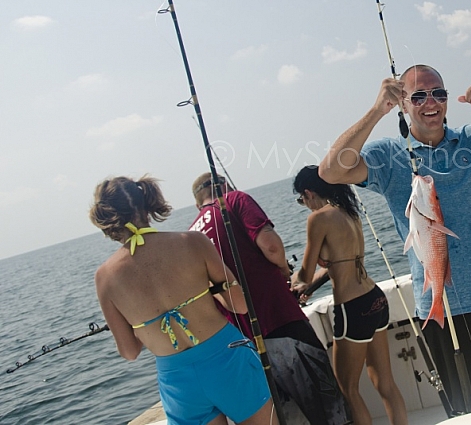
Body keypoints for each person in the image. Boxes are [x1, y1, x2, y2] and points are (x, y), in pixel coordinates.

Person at [319, 64, 471, 412]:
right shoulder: (388, 157)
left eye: (439, 93)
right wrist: (377, 110)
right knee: (470, 414)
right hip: (445, 312)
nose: (430, 102)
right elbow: (330, 171)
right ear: (403, 103)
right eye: (418, 96)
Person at [90, 175, 273, 425]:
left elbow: (130, 351)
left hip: (177, 381)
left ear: (106, 218)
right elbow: (239, 304)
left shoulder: (104, 277)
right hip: (227, 359)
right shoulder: (193, 242)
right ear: (147, 204)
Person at [190, 173, 349, 425]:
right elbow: (271, 246)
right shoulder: (235, 199)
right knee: (327, 405)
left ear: (199, 204)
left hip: (242, 343)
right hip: (280, 320)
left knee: (282, 413)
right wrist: (285, 272)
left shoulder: (191, 234)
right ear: (225, 186)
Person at [290, 165, 408, 425]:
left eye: (302, 199)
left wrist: (291, 283)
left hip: (352, 309)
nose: (305, 205)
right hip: (375, 298)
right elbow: (342, 264)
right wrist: (309, 287)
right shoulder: (349, 211)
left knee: (348, 390)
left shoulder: (318, 218)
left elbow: (305, 273)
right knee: (385, 382)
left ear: (308, 192)